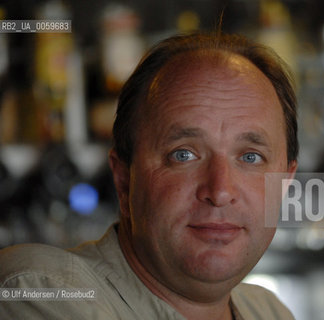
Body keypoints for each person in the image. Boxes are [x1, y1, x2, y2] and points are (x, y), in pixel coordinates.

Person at [0, 32, 298, 320]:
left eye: (250, 157)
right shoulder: (40, 290)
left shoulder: (267, 311)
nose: (220, 191)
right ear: (124, 180)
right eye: (183, 155)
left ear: (284, 185)